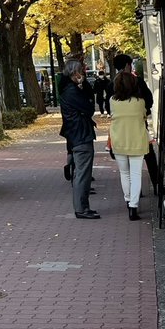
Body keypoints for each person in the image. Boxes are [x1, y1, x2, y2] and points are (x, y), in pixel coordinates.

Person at [112, 52, 165, 196]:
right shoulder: (137, 81)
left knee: (128, 163)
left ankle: (135, 192)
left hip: (120, 131)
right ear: (127, 65)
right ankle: (157, 185)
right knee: (149, 157)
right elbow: (149, 100)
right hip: (139, 126)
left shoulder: (111, 84)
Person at [59, 58, 99, 219]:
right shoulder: (73, 91)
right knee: (83, 173)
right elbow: (89, 108)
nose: (82, 74)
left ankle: (82, 207)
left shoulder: (68, 90)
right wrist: (85, 89)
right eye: (80, 71)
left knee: (81, 171)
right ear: (75, 73)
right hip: (81, 134)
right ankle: (82, 208)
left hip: (76, 134)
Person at [109, 69, 148, 220]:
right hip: (137, 140)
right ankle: (134, 206)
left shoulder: (113, 101)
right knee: (136, 174)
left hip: (119, 140)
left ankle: (127, 200)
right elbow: (144, 115)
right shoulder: (140, 102)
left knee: (124, 173)